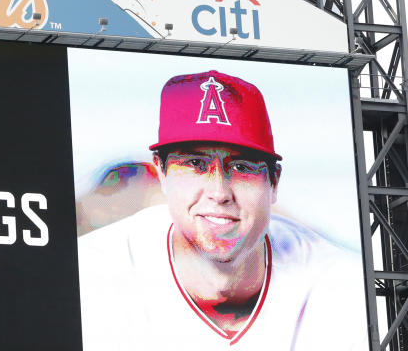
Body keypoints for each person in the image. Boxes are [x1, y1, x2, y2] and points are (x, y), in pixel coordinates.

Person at [77, 70, 367, 350]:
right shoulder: (92, 274)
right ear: (162, 173)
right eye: (195, 164)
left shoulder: (342, 286)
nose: (218, 192)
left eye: (242, 168)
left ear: (274, 182)